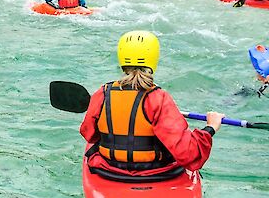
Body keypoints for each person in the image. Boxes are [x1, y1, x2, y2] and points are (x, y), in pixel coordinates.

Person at [79, 31, 222, 177]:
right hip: (156, 173)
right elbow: (188, 153)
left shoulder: (102, 94)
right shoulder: (159, 98)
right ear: (154, 58)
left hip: (109, 170)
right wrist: (210, 128)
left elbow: (88, 134)